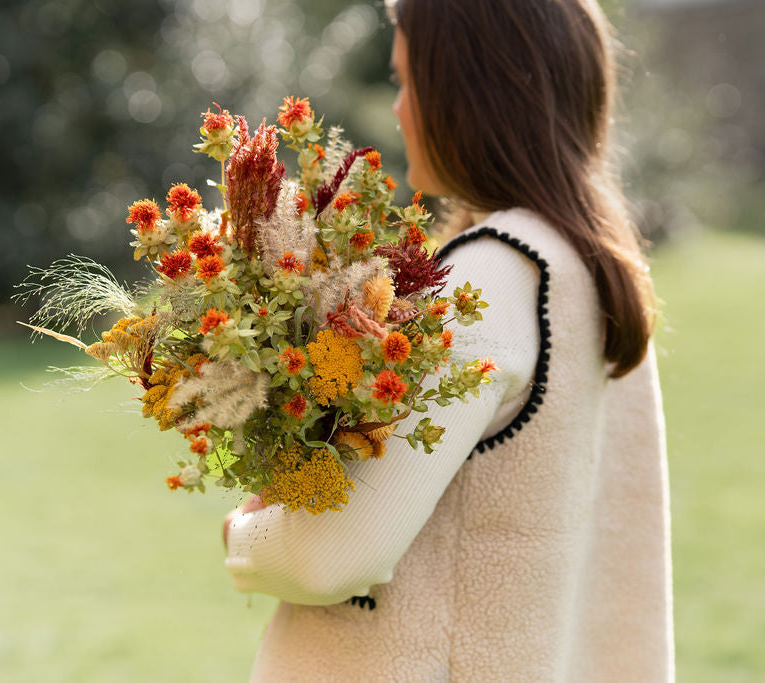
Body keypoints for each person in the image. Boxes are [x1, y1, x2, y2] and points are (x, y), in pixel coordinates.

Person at [222, 0, 674, 679]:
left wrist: (246, 534)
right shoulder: (589, 268)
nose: (400, 109)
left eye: (409, 81)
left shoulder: (488, 278)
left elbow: (336, 554)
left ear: (467, 93)